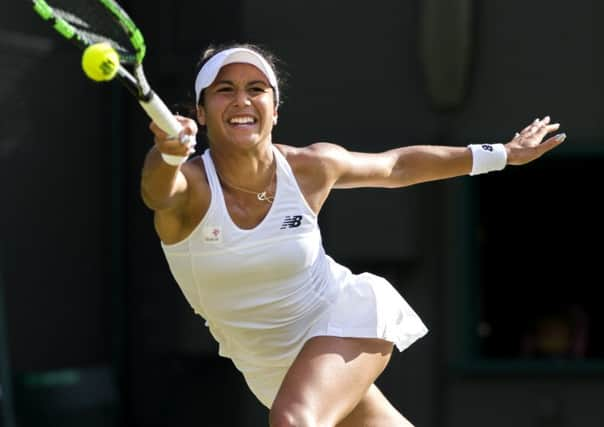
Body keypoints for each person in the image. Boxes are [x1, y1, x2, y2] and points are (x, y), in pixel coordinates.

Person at [140, 43, 567, 427]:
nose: (242, 100)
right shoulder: (190, 188)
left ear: (276, 109)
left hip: (342, 316)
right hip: (267, 365)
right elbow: (157, 191)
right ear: (200, 112)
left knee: (295, 421)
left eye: (256, 88)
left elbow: (396, 167)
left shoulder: (311, 167)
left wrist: (502, 155)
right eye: (224, 90)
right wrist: (167, 154)